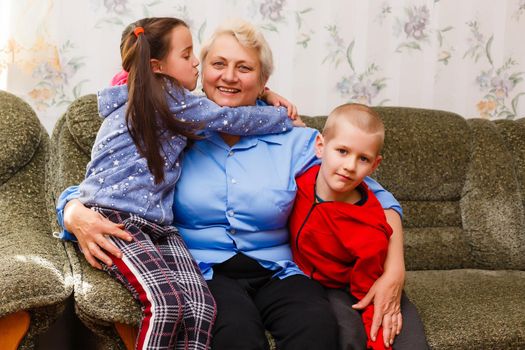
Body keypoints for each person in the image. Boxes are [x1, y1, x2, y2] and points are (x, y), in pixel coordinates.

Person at [58, 19, 411, 349]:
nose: (229, 77)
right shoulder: (174, 125)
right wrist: (72, 212)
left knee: (316, 327)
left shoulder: (297, 139)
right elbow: (110, 183)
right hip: (205, 270)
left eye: (244, 68)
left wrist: (394, 271)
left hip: (279, 270)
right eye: (218, 64)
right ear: (199, 70)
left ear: (263, 80)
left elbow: (378, 199)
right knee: (234, 335)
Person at [62, 17, 302, 350]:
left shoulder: (148, 93)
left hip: (158, 225)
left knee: (202, 308)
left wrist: (262, 92)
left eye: (245, 69)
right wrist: (281, 118)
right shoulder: (174, 100)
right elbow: (227, 118)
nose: (197, 66)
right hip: (119, 218)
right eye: (191, 56)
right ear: (157, 67)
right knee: (166, 305)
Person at [289, 103, 428, 349]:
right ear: (320, 146)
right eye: (342, 151)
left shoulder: (368, 225)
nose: (350, 166)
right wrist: (267, 95)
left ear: (375, 165)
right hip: (310, 282)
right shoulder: (299, 180)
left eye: (363, 158)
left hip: (351, 287)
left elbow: (371, 295)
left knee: (358, 335)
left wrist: (378, 340)